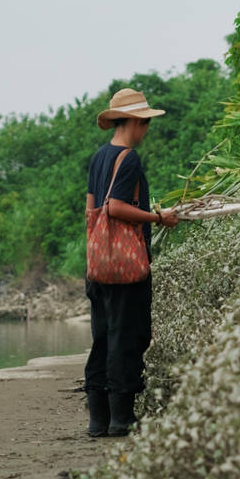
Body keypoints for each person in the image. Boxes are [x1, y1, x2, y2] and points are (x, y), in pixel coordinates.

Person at [84, 88, 179, 437]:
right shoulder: (130, 159)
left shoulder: (98, 158)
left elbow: (91, 210)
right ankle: (121, 419)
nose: (146, 130)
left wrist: (97, 253)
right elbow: (115, 208)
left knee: (103, 338)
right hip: (126, 267)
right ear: (136, 122)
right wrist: (158, 218)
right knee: (128, 337)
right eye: (146, 123)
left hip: (99, 265)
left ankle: (98, 420)